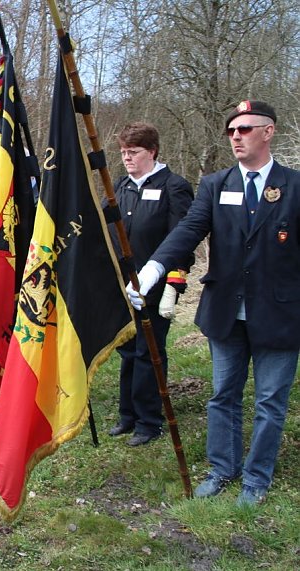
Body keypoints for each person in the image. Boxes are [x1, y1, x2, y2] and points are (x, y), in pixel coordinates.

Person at [129, 100, 300, 506]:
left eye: (245, 129)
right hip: (226, 310)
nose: (236, 137)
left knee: (270, 401)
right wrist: (155, 266)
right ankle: (222, 468)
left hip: (280, 314)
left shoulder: (294, 186)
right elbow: (189, 229)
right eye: (231, 131)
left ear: (268, 132)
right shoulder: (216, 184)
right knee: (223, 395)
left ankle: (256, 478)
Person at [106, 122, 194, 447]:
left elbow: (182, 239)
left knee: (149, 351)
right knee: (128, 349)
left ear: (152, 152)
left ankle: (149, 421)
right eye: (123, 152)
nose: (127, 158)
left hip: (155, 287)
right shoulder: (120, 186)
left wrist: (174, 284)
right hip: (123, 286)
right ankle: (128, 415)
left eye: (134, 152)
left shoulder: (174, 186)